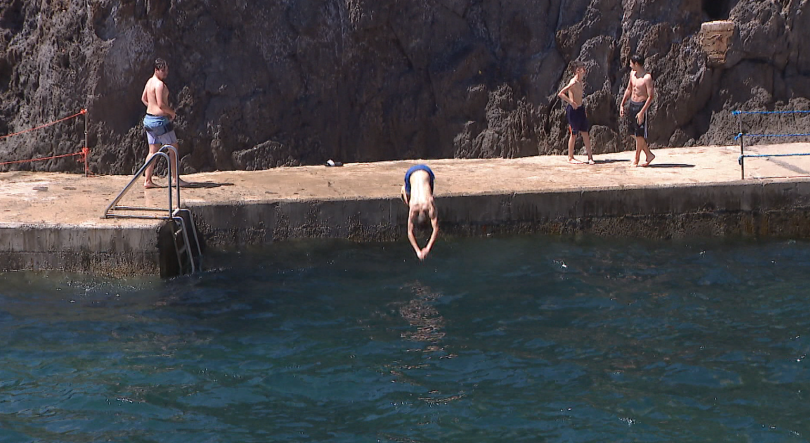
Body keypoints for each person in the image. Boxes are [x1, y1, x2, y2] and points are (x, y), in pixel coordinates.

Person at [141, 58, 188, 188]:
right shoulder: (159, 85)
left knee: (153, 150)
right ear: (156, 70)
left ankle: (147, 180)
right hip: (159, 121)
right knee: (173, 147)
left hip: (149, 119)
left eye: (166, 69)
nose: (166, 72)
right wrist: (172, 113)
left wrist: (152, 107)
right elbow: (161, 104)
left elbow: (144, 98)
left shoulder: (149, 82)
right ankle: (175, 179)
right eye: (163, 70)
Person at [620, 54, 656, 167]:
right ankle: (649, 154)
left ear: (636, 64)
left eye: (631, 63)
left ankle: (636, 159)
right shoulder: (632, 74)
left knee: (639, 134)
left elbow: (651, 96)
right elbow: (629, 89)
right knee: (632, 133)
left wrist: (642, 112)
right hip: (632, 104)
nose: (630, 65)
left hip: (641, 106)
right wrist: (622, 104)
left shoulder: (647, 78)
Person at [558, 61, 594, 164]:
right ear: (578, 70)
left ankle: (590, 157)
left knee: (585, 132)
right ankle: (570, 157)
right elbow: (561, 93)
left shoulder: (580, 81)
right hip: (573, 110)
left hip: (580, 109)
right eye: (583, 69)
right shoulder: (573, 82)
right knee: (573, 134)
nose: (585, 70)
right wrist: (571, 102)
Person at [400, 164, 439, 260]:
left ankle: (404, 190)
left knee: (408, 200)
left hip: (420, 172)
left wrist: (418, 251)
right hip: (417, 172)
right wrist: (427, 249)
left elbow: (409, 232)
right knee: (411, 200)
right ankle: (405, 189)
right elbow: (436, 228)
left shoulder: (414, 207)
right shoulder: (428, 205)